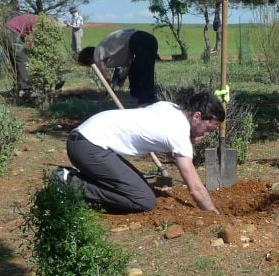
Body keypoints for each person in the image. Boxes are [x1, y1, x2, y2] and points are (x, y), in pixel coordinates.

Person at [55, 88, 224, 214]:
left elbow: (163, 132)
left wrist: (192, 137)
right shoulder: (178, 133)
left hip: (86, 138)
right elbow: (195, 188)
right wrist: (213, 214)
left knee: (140, 187)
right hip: (88, 147)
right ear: (196, 117)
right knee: (144, 200)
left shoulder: (170, 108)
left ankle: (81, 177)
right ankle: (71, 182)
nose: (208, 134)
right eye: (209, 128)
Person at [77, 29, 159, 105]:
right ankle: (146, 103)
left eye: (87, 65)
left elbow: (107, 78)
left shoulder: (97, 55)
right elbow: (128, 66)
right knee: (143, 73)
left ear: (88, 59)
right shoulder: (107, 49)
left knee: (141, 75)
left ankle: (144, 104)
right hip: (149, 39)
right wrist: (119, 80)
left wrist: (109, 90)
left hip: (138, 40)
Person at [3, 12, 37, 98]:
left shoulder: (33, 18)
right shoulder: (37, 21)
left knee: (15, 61)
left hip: (5, 32)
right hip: (11, 33)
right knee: (23, 59)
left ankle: (17, 88)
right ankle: (26, 89)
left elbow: (26, 37)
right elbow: (30, 39)